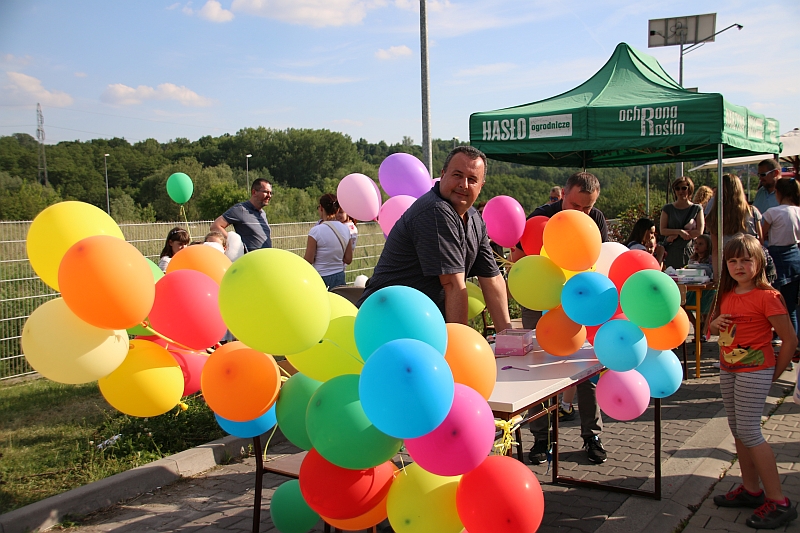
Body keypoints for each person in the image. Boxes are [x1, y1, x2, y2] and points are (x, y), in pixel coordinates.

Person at [356, 146, 512, 334]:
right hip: (386, 324)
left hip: (416, 326)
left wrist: (508, 337)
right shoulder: (435, 211)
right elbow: (453, 284)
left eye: (472, 179)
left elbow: (492, 279)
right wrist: (460, 348)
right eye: (457, 175)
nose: (463, 184)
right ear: (443, 174)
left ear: (481, 186)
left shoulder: (474, 218)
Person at [511, 171, 608, 465]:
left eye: (588, 207)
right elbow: (518, 257)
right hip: (539, 300)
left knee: (585, 369)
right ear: (564, 194)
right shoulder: (540, 217)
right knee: (537, 369)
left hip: (579, 301)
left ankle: (592, 435)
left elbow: (597, 260)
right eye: (576, 206)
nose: (583, 213)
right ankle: (542, 437)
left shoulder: (598, 220)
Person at [709, 234, 797, 529]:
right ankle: (751, 490)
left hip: (754, 371)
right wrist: (713, 324)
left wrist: (772, 375)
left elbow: (789, 340)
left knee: (749, 431)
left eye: (746, 259)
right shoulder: (727, 293)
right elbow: (715, 330)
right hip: (728, 368)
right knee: (738, 429)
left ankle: (779, 501)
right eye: (732, 260)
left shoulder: (768, 297)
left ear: (759, 262)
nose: (739, 265)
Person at [761, 178, 800, 343]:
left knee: (774, 301)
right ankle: (793, 341)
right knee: (790, 305)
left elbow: (761, 237)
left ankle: (777, 334)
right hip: (796, 256)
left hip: (777, 257)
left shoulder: (773, 212)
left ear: (778, 193)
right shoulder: (798, 211)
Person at [707, 174, 765, 281]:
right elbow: (760, 242)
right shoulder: (752, 211)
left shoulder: (714, 215)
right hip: (750, 263)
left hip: (729, 265)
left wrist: (716, 276)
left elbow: (716, 250)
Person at [304, 193, 353, 290]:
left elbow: (309, 260)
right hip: (339, 276)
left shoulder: (316, 231)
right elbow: (348, 259)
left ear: (321, 208)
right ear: (337, 209)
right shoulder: (346, 229)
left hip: (320, 277)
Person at [210, 179, 273, 252]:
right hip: (250, 260)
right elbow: (215, 226)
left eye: (270, 193)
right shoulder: (240, 209)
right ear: (254, 192)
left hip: (265, 258)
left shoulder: (263, 213)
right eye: (266, 192)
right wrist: (234, 243)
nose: (269, 196)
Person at [660, 176, 705, 270]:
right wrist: (679, 232)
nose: (681, 191)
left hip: (689, 251)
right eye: (677, 188)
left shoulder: (697, 209)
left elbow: (699, 231)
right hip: (671, 251)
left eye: (684, 188)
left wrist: (681, 234)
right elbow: (662, 230)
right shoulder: (667, 209)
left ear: (690, 189)